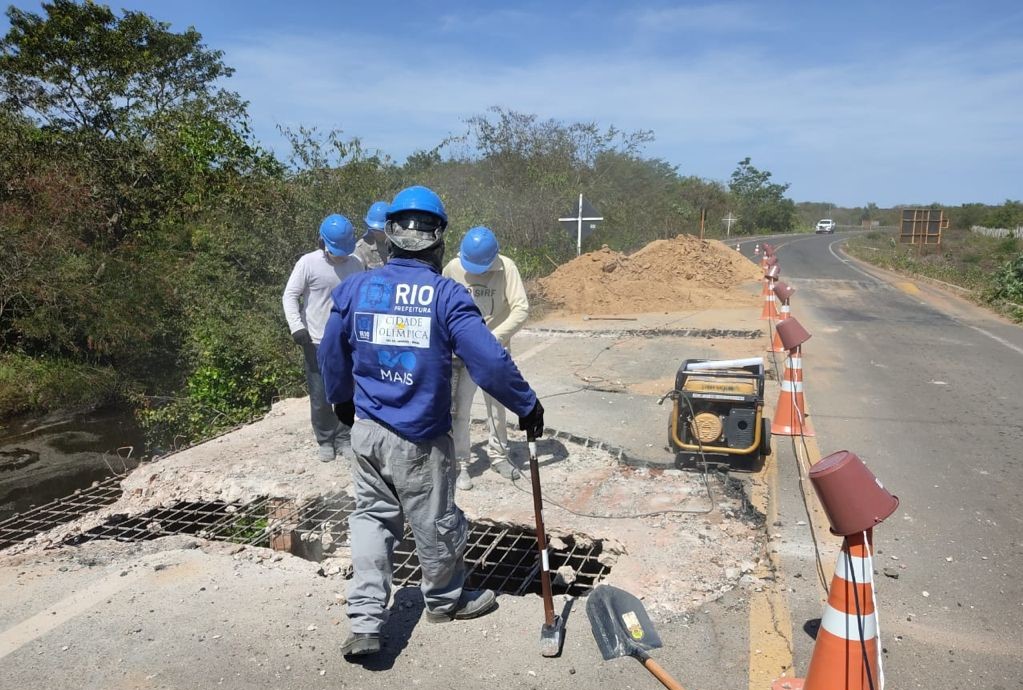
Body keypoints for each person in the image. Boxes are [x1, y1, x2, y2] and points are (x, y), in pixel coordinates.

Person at [318, 186, 545, 660]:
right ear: (440, 242)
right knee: (436, 522)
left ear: (390, 238)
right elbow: (489, 362)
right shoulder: (447, 295)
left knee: (370, 521)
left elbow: (329, 353)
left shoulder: (355, 288)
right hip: (420, 439)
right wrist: (526, 405)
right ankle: (443, 600)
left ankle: (363, 621)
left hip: (367, 435)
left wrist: (342, 402)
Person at [442, 226, 530, 490]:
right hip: (462, 352)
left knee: (496, 407)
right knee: (459, 409)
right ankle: (462, 464)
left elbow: (521, 308)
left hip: (494, 350)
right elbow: (443, 306)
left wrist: (493, 338)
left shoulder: (507, 268)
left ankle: (499, 455)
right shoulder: (453, 269)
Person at [282, 214, 364, 461]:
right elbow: (290, 295)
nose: (340, 256)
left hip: (347, 340)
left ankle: (343, 438)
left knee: (346, 392)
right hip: (316, 340)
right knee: (320, 395)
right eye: (335, 250)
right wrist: (297, 327)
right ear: (322, 242)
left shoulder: (356, 263)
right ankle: (325, 439)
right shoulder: (308, 263)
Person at [352, 201, 389, 269]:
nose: (377, 233)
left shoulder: (397, 244)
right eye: (374, 229)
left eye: (380, 230)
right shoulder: (361, 249)